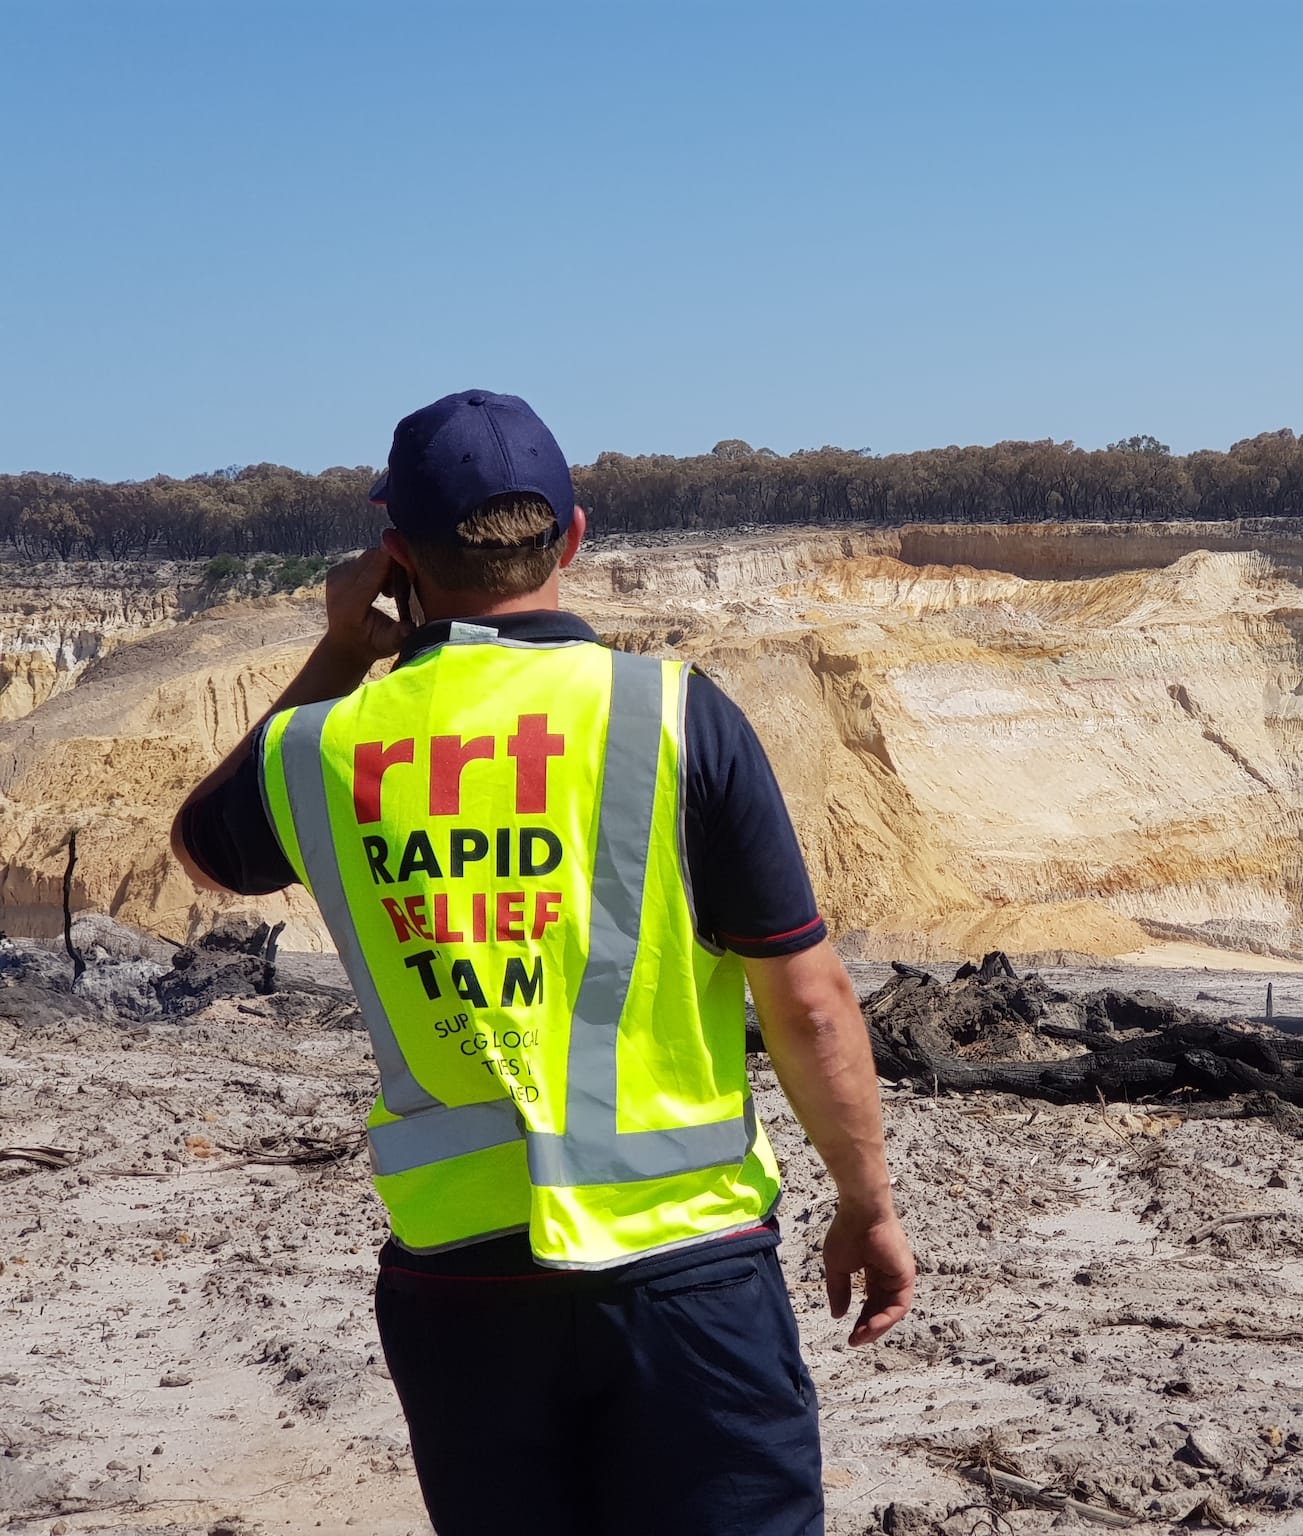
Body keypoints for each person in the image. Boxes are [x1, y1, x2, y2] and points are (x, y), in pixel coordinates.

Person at [170, 389, 914, 1536]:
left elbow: (205, 852)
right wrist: (865, 1199)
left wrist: (335, 653)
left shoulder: (317, 745)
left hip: (462, 1277)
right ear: (572, 536)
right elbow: (807, 996)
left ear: (397, 559)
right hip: (686, 1262)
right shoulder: (672, 715)